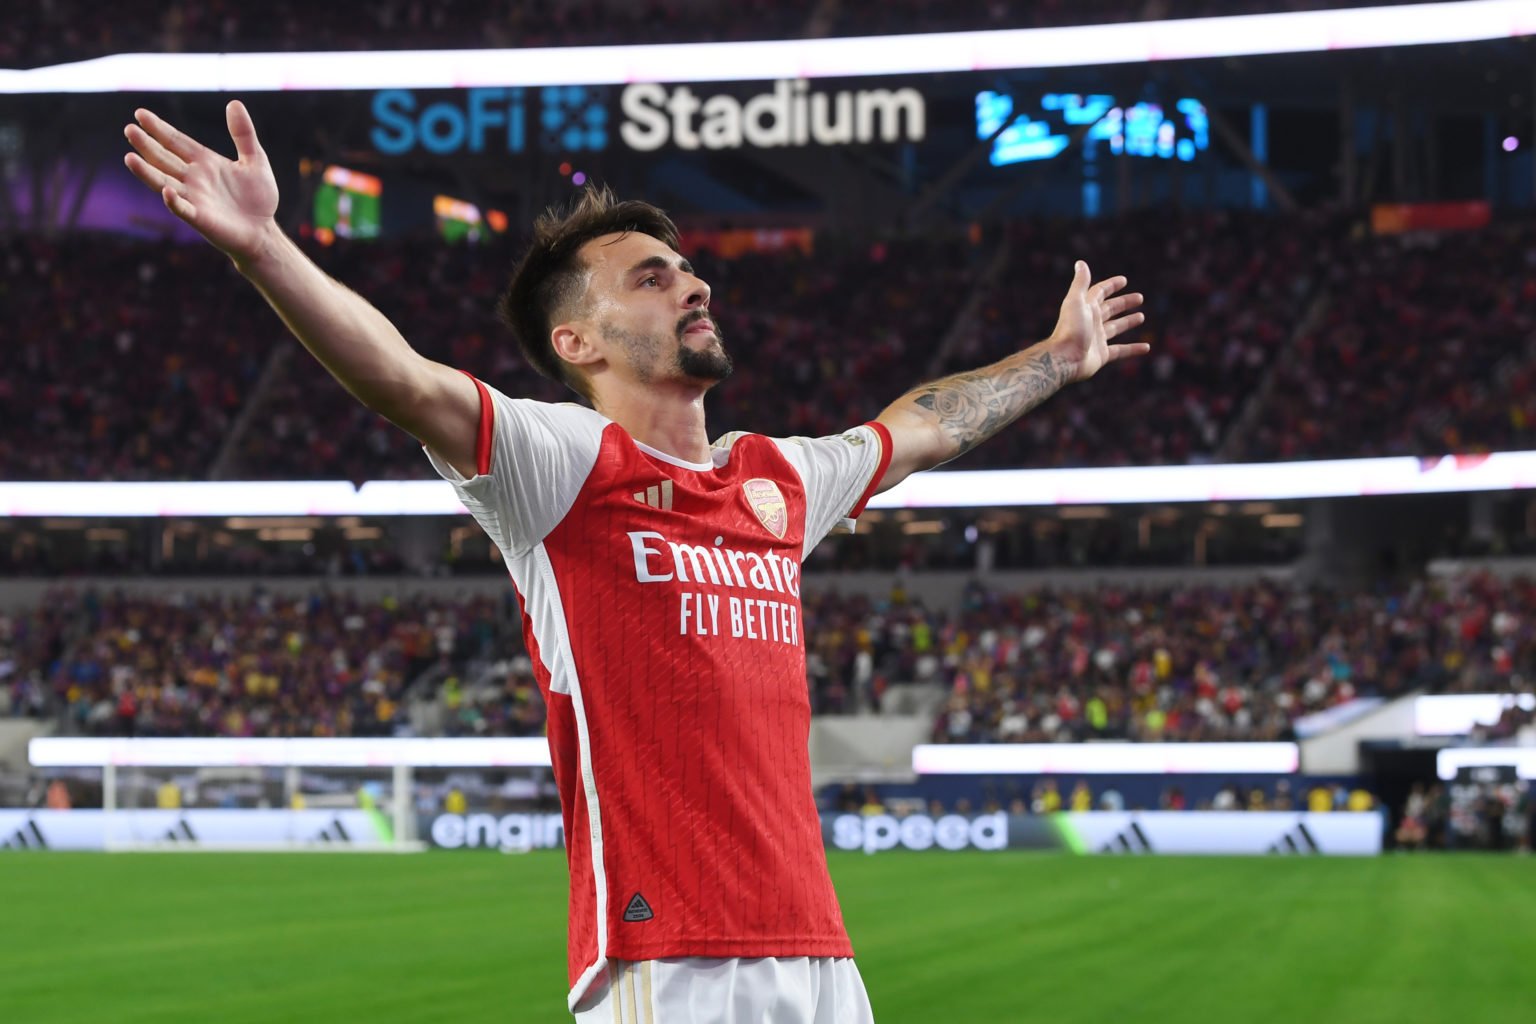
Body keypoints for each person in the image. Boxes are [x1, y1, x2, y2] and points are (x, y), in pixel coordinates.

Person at [122, 100, 1147, 1024]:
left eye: (688, 270)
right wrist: (262, 246)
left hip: (825, 959)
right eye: (651, 279)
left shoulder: (776, 480)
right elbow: (401, 379)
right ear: (579, 340)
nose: (694, 285)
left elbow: (916, 429)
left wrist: (1056, 360)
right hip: (672, 963)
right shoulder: (562, 466)